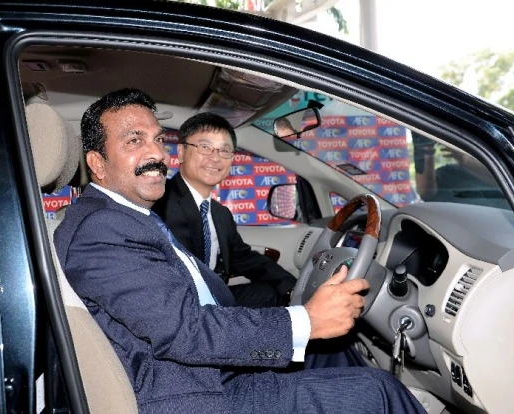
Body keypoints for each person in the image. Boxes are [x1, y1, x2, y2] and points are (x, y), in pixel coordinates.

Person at [54, 87, 427, 413]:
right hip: (193, 392)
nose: (156, 154)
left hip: (202, 364)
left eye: (158, 140)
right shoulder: (101, 228)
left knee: (333, 351)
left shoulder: (125, 215)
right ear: (97, 163)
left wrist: (300, 311)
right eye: (134, 141)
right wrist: (307, 321)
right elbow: (185, 331)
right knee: (380, 390)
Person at [152, 112, 296, 308]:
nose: (215, 158)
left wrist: (292, 287)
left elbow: (244, 258)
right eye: (205, 147)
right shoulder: (157, 201)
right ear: (181, 152)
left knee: (268, 294)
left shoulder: (221, 214)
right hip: (177, 306)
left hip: (213, 299)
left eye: (224, 150)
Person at [413, 132, 507, 208]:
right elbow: (426, 192)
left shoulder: (502, 172)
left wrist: (464, 159)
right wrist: (424, 146)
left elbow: (504, 179)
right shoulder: (449, 173)